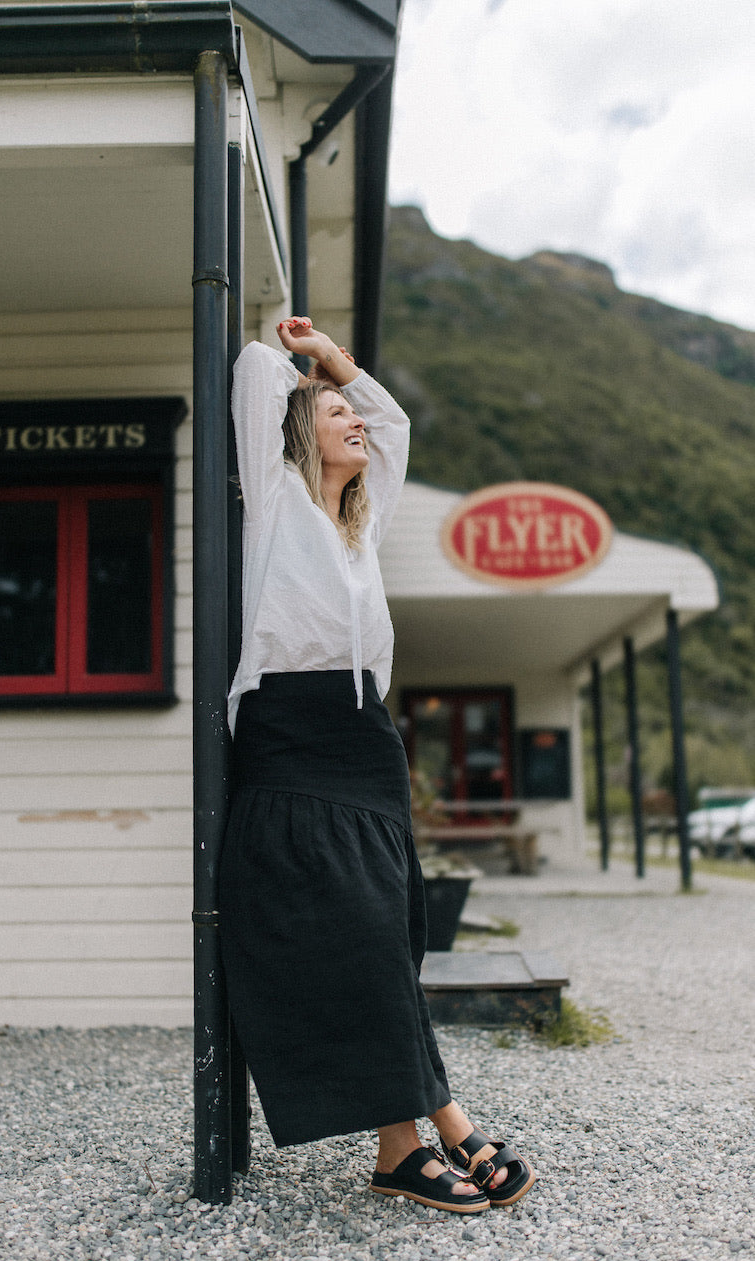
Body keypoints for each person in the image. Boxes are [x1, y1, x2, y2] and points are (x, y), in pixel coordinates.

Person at [219, 317, 535, 1214]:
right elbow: (251, 373)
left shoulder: (358, 526)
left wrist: (342, 373)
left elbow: (392, 427)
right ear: (293, 429)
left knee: (393, 937)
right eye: (331, 411)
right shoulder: (276, 500)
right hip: (290, 732)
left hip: (367, 741)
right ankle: (442, 1125)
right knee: (356, 934)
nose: (353, 417)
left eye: (347, 407)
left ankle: (409, 1143)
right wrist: (304, 352)